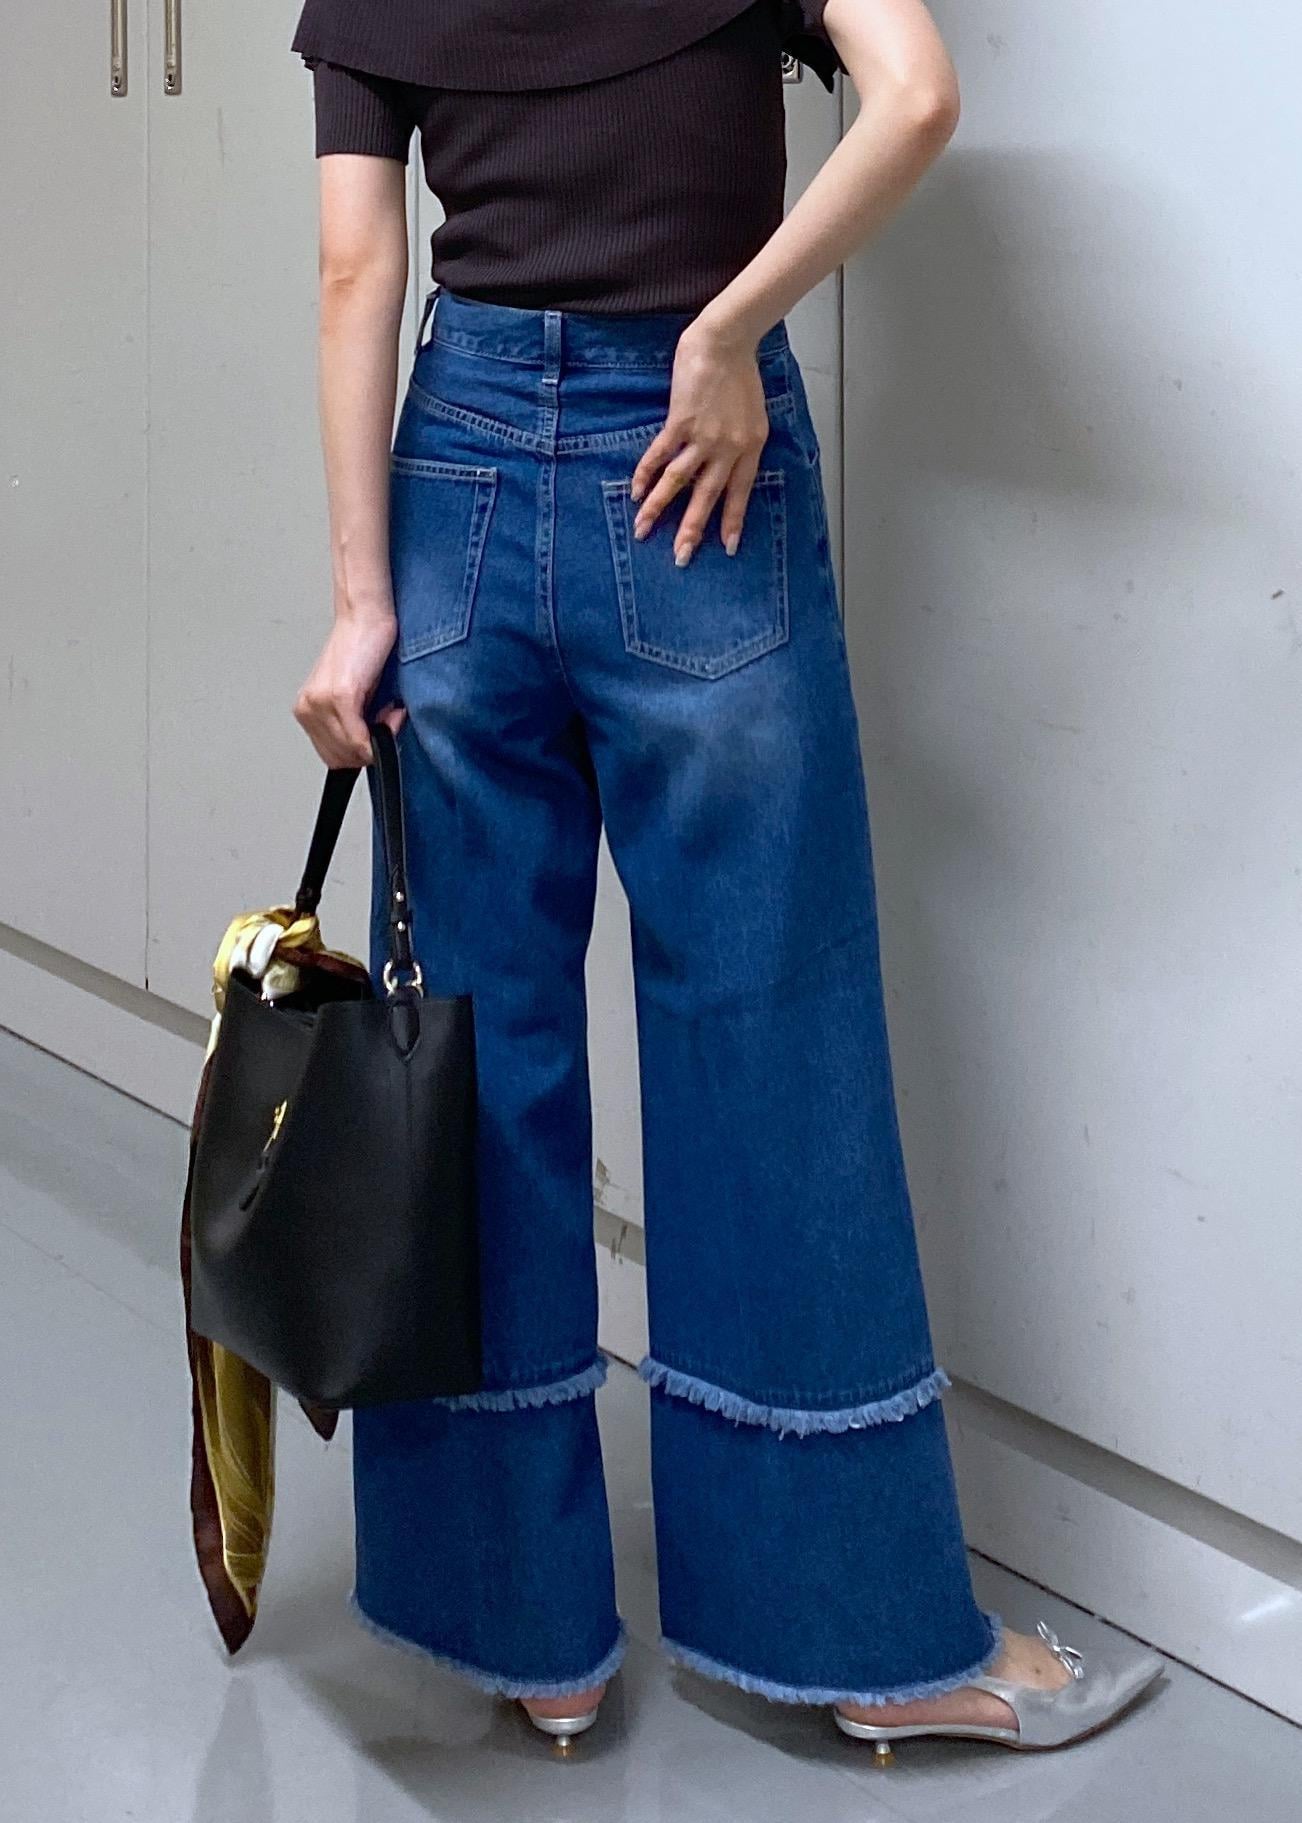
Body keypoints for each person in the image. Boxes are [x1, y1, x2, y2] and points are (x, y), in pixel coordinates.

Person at [287, 0, 1164, 1760]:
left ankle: (526, 1637)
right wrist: (728, 330)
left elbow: (355, 269)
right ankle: (865, 1642)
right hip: (695, 457)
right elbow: (913, 97)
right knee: (770, 1040)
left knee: (471, 1057)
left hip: (454, 477)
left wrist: (363, 602)